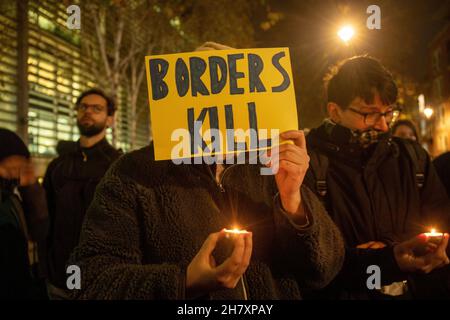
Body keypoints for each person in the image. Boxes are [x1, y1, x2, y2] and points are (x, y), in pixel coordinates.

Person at [68, 42, 346, 300]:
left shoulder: (270, 165)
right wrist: (183, 282)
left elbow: (324, 270)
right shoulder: (134, 172)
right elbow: (91, 280)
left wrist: (294, 202)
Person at [304, 55, 450, 299]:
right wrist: (388, 258)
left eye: (388, 113)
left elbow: (441, 221)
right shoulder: (310, 163)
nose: (383, 125)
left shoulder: (412, 157)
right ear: (335, 111)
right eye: (370, 114)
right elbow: (314, 254)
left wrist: (392, 249)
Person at [43, 88, 122, 299]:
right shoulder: (59, 165)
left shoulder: (118, 165)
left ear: (110, 119)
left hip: (100, 275)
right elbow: (46, 215)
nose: (88, 112)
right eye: (83, 107)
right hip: (58, 271)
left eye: (97, 108)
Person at [0, 128, 49, 299]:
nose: (17, 171)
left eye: (22, 165)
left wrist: (31, 188)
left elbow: (40, 230)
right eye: (11, 165)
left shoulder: (13, 197)